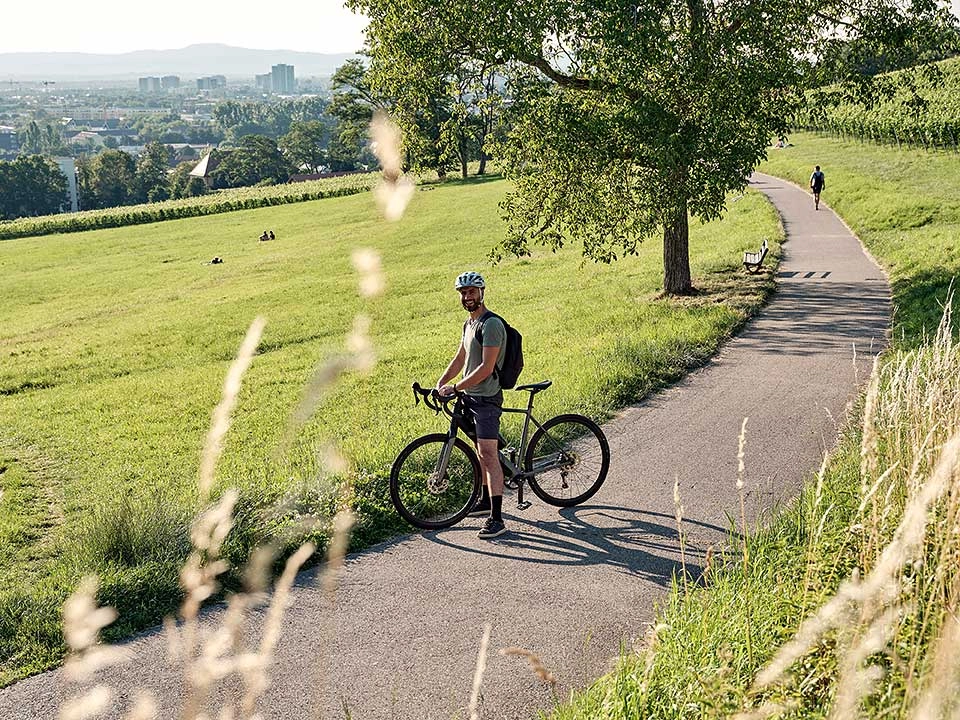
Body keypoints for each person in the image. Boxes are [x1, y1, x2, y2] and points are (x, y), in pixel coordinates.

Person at [437, 271, 508, 539]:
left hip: (487, 398)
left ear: (481, 292)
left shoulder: (491, 325)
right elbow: (460, 358)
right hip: (470, 396)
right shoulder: (469, 324)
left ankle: (498, 519)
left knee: (488, 454)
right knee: (481, 451)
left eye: (471, 292)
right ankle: (486, 499)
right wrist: (441, 381)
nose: (467, 297)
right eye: (463, 293)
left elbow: (486, 367)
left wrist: (455, 387)